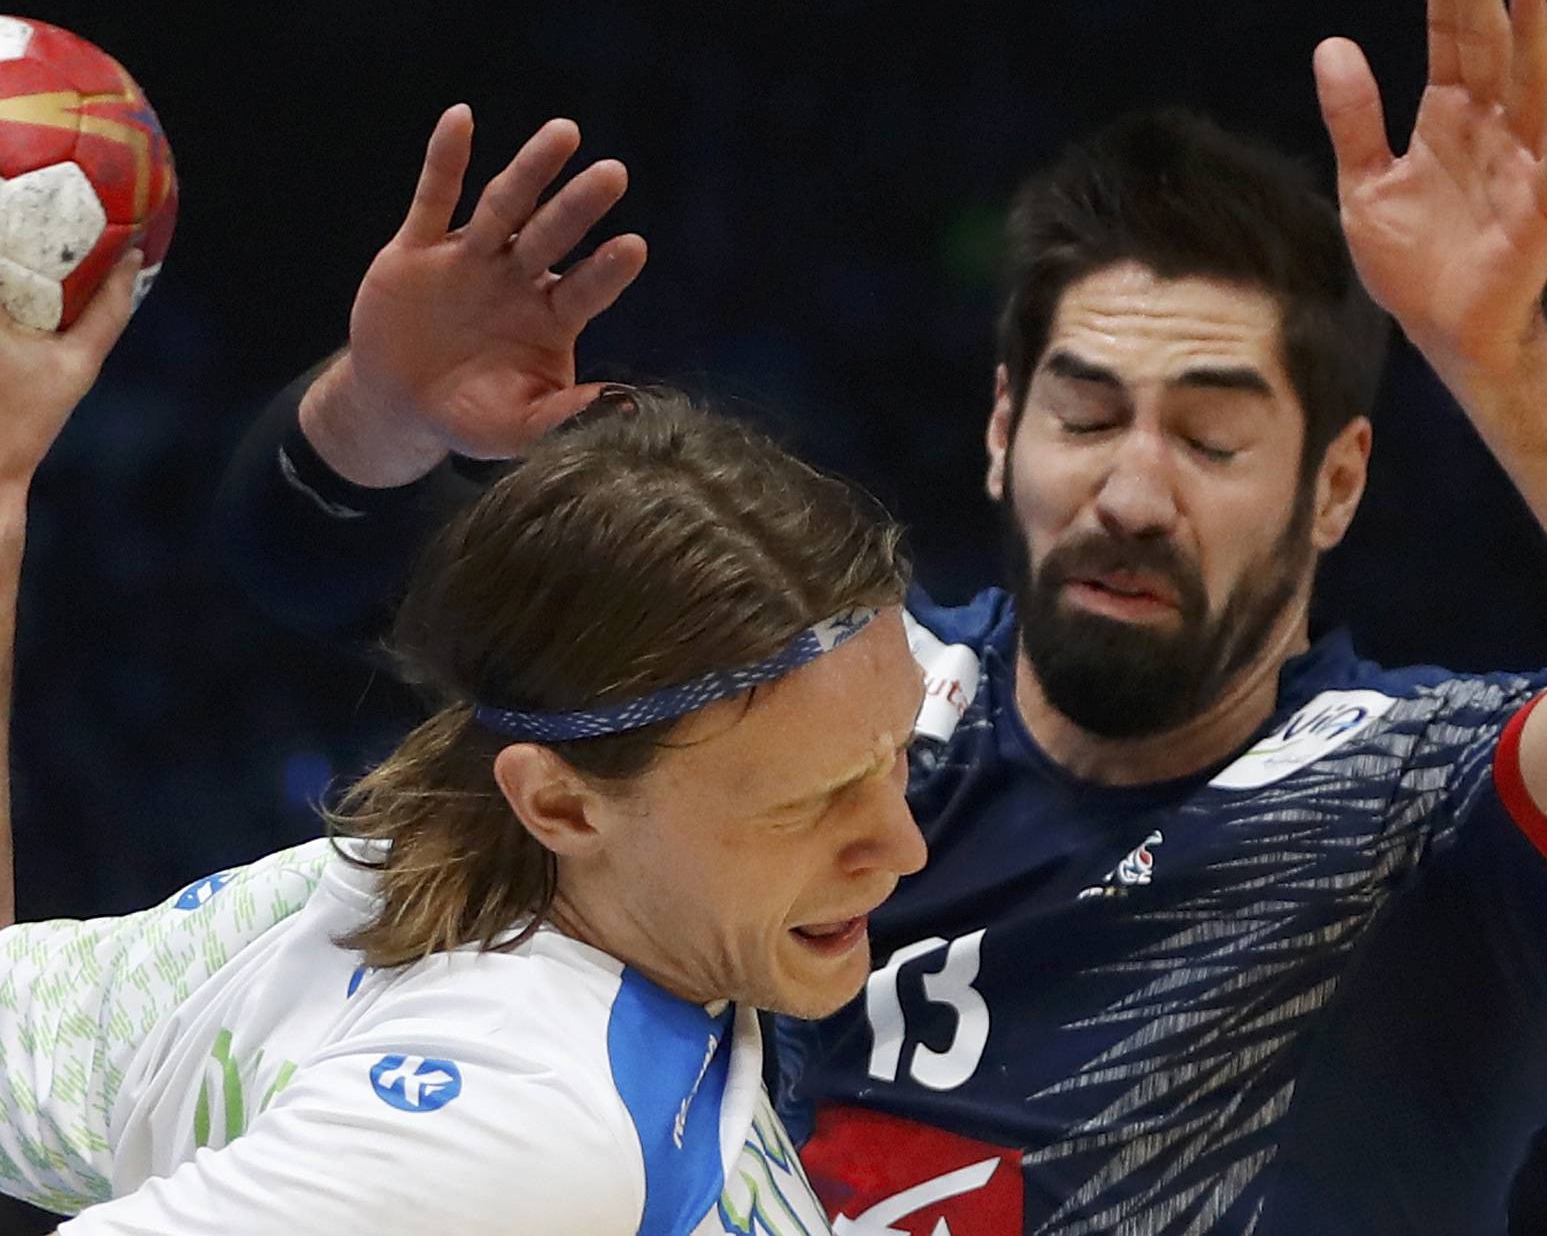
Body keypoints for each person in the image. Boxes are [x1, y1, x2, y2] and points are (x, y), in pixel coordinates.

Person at [215, 0, 1547, 1235]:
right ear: (1002, 433)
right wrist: (381, 414)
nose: (1133, 490)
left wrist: (1508, 367)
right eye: (1087, 416)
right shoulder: (817, 705)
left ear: (1337, 484)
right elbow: (315, 581)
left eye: (1215, 441)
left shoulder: (1421, 807)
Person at [1, 238, 929, 1232]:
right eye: (811, 799)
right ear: (562, 801)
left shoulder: (354, 888)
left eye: (896, 755)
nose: (904, 843)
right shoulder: (519, 1131)